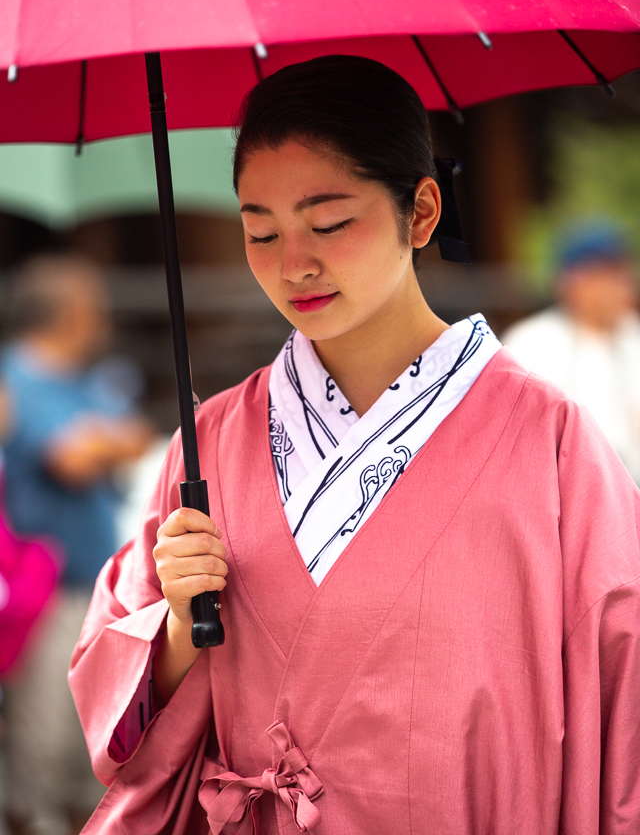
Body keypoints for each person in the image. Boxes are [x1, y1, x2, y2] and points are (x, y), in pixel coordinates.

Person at [70, 57, 640, 834]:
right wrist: (175, 625)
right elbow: (122, 717)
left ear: (422, 212)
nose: (292, 263)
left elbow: (622, 690)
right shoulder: (208, 448)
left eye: (329, 222)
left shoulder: (549, 439)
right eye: (259, 230)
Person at [1, 254, 154, 835]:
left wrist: (102, 442)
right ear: (66, 312)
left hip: (93, 582)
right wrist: (101, 442)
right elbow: (71, 458)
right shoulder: (19, 376)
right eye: (92, 303)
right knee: (42, 731)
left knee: (84, 731)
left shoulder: (83, 377)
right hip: (42, 588)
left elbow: (133, 437)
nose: (103, 315)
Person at [503, 223, 640, 483]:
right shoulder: (530, 342)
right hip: (557, 486)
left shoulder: (633, 337)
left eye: (618, 274)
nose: (615, 287)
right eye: (600, 277)